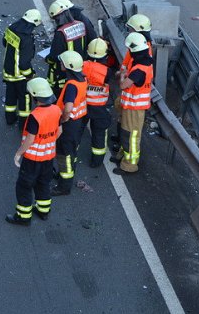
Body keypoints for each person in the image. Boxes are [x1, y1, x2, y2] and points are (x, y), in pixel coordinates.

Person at [6, 78, 62, 226]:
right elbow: (59, 131)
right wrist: (48, 141)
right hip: (48, 157)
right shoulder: (56, 110)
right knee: (43, 183)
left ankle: (23, 217)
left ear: (34, 96)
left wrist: (19, 153)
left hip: (32, 160)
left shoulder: (35, 116)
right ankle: (43, 211)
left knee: (24, 186)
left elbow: (30, 139)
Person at [114, 33, 154, 174]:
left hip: (134, 108)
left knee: (131, 137)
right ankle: (122, 156)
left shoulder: (139, 70)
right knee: (126, 133)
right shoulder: (144, 62)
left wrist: (123, 74)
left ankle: (129, 165)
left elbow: (123, 85)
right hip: (131, 106)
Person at [52, 51, 88, 196]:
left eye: (63, 63)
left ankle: (63, 186)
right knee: (71, 152)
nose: (61, 64)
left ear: (68, 66)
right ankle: (65, 175)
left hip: (69, 124)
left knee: (64, 154)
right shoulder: (82, 80)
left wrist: (62, 120)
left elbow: (68, 108)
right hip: (77, 122)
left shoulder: (71, 85)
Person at [46, 0, 94, 95]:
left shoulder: (61, 32)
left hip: (65, 71)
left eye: (55, 18)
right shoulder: (81, 24)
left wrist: (48, 59)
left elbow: (55, 55)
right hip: (80, 66)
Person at [2, 9, 42, 126]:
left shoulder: (12, 28)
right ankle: (24, 124)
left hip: (8, 71)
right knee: (25, 100)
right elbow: (24, 64)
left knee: (10, 96)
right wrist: (30, 75)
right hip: (20, 76)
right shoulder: (26, 39)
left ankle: (10, 119)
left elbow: (5, 42)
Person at [83, 39, 114, 167]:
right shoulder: (107, 72)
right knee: (99, 134)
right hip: (99, 108)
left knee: (76, 131)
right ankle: (96, 162)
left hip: (82, 106)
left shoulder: (82, 65)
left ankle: (71, 154)